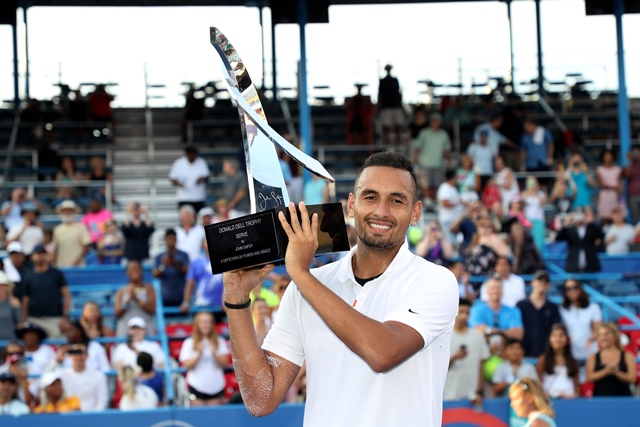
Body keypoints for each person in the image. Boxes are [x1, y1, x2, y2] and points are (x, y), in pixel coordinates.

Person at [222, 151, 458, 426]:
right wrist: (237, 299)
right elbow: (261, 400)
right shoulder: (306, 288)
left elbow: (383, 353)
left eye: (396, 200)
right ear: (351, 205)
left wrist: (299, 272)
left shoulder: (434, 280)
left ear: (415, 212)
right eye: (370, 197)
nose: (381, 211)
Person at [179, 311, 230, 406]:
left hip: (216, 385)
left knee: (214, 417)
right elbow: (187, 366)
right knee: (199, 417)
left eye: (210, 322)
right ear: (197, 324)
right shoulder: (189, 342)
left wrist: (214, 353)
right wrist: (199, 353)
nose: (207, 325)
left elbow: (225, 365)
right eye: (204, 322)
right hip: (197, 385)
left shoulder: (220, 341)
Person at [443, 298, 490, 403]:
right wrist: (455, 358)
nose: (464, 316)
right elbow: (439, 367)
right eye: (461, 312)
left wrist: (478, 391)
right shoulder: (444, 336)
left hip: (471, 397)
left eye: (467, 313)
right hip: (447, 395)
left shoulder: (478, 336)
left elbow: (481, 366)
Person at [21, 244, 70, 339]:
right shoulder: (28, 277)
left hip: (54, 319)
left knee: (56, 346)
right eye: (38, 254)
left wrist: (65, 317)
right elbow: (25, 300)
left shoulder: (56, 274)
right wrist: (25, 320)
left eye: (43, 254)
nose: (40, 256)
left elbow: (66, 295)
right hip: (34, 319)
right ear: (32, 257)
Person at [44, 342, 108, 412]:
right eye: (75, 353)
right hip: (68, 416)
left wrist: (93, 418)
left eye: (81, 352)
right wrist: (56, 361)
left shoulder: (99, 376)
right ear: (71, 356)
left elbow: (102, 402)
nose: (78, 356)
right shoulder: (62, 374)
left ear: (87, 355)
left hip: (90, 417)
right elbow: (45, 378)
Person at [516, 270, 561, 358]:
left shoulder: (553, 307)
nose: (542, 283)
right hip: (524, 352)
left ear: (549, 286)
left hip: (546, 354)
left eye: (546, 281)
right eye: (540, 280)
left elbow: (556, 330)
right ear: (533, 283)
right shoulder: (521, 305)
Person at [586, 322, 636, 397]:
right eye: (600, 335)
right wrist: (606, 371)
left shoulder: (627, 356)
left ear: (615, 336)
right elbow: (590, 377)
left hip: (623, 398)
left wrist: (616, 372)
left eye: (606, 334)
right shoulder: (593, 357)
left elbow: (632, 378)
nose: (603, 337)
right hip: (600, 399)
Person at [412, 113, 451, 207]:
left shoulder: (443, 134)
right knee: (426, 184)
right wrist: (414, 158)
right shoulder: (424, 133)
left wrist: (448, 158)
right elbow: (418, 147)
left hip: (438, 163)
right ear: (430, 122)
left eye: (437, 120)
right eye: (433, 120)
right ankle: (428, 200)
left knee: (437, 184)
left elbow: (446, 149)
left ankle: (434, 200)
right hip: (425, 163)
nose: (435, 122)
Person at [559, 278, 602, 363]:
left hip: (590, 351)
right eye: (568, 288)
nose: (572, 291)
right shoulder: (562, 310)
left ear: (580, 288)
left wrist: (591, 339)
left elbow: (597, 328)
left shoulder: (593, 307)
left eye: (575, 287)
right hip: (570, 353)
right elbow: (561, 330)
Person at [469, 276, 524, 340]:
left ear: (503, 291)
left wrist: (489, 330)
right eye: (493, 288)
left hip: (507, 349)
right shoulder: (475, 310)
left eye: (499, 288)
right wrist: (506, 332)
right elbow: (477, 332)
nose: (496, 291)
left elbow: (518, 334)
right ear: (487, 291)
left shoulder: (514, 311)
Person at [536, 324, 580, 399]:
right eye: (554, 336)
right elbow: (538, 381)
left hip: (569, 398)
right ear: (549, 339)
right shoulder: (543, 359)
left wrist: (576, 395)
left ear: (567, 339)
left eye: (561, 335)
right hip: (550, 398)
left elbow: (576, 385)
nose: (558, 339)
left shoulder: (573, 362)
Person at [114, 261, 156, 337]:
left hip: (145, 330)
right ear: (127, 273)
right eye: (132, 269)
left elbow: (152, 310)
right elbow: (117, 313)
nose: (135, 271)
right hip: (125, 330)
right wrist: (127, 301)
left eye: (137, 269)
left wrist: (137, 299)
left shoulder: (149, 288)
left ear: (142, 271)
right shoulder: (121, 291)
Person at [181, 239, 223, 314]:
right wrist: (186, 302)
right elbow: (190, 284)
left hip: (220, 305)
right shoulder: (196, 262)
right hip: (201, 304)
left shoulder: (223, 261)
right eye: (207, 241)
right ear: (203, 245)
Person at [153, 229, 190, 308]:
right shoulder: (159, 257)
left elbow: (187, 271)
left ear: (176, 240)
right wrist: (164, 265)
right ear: (165, 240)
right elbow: (155, 274)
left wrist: (175, 263)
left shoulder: (183, 255)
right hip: (165, 297)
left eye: (173, 239)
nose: (171, 241)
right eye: (169, 239)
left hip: (180, 296)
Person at [169, 146, 211, 212]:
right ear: (186, 154)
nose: (192, 157)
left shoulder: (201, 162)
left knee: (199, 219)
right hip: (184, 197)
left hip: (199, 197)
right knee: (185, 218)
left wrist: (201, 179)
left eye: (193, 155)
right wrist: (179, 184)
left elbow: (207, 177)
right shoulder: (179, 163)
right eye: (190, 155)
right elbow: (172, 179)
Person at [52, 200, 91, 267]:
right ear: (61, 213)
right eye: (65, 210)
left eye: (70, 210)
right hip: (61, 266)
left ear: (74, 212)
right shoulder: (57, 229)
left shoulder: (81, 227)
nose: (67, 212)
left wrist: (78, 260)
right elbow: (55, 248)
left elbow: (87, 246)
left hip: (78, 266)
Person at [377, 64, 405, 145]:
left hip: (396, 105)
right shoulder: (382, 81)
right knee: (386, 125)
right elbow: (380, 94)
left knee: (398, 125)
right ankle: (386, 141)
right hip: (386, 106)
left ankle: (398, 141)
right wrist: (379, 106)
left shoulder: (395, 80)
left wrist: (400, 104)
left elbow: (398, 92)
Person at [437, 169, 465, 244]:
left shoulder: (454, 188)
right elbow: (444, 203)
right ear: (453, 177)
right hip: (448, 220)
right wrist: (456, 204)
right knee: (449, 241)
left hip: (455, 220)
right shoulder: (444, 188)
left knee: (456, 242)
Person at [595, 149, 623, 224]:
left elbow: (620, 184)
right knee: (606, 218)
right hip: (605, 197)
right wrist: (614, 187)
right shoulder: (599, 169)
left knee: (617, 217)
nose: (608, 158)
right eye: (606, 156)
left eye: (610, 156)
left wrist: (620, 197)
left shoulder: (618, 169)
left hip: (615, 196)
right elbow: (601, 184)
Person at [521, 176, 547, 250]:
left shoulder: (541, 194)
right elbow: (522, 205)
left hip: (539, 220)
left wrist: (535, 192)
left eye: (533, 182)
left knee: (538, 243)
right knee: (528, 242)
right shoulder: (524, 193)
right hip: (528, 220)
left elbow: (543, 203)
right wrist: (528, 192)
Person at [0, 271, 22, 341]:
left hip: (10, 344)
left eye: (2, 285)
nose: (0, 288)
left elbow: (20, 324)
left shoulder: (14, 303)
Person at [624, 146, 640, 223]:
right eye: (633, 153)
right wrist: (628, 160)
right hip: (633, 196)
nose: (635, 155)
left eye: (637, 153)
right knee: (636, 218)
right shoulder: (629, 167)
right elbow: (627, 175)